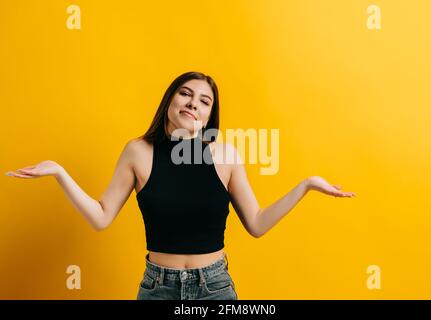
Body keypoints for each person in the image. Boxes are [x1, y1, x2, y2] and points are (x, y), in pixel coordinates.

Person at [5, 71, 356, 300]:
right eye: (185, 94)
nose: (193, 104)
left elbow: (258, 223)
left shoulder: (225, 155)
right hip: (158, 286)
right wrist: (59, 173)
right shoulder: (138, 152)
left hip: (214, 287)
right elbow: (100, 217)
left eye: (204, 101)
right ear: (170, 100)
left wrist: (306, 185)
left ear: (209, 116)